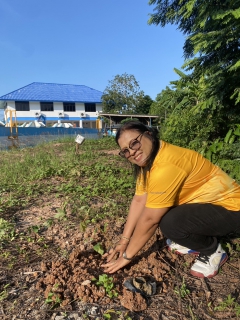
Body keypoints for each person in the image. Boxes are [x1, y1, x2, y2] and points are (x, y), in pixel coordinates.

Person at [101, 121, 240, 278]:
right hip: (209, 204)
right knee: (164, 210)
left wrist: (126, 257)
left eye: (134, 143)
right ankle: (194, 238)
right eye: (125, 151)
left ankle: (212, 250)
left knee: (170, 224)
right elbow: (140, 200)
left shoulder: (166, 165)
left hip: (232, 208)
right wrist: (124, 241)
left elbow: (150, 220)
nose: (131, 152)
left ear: (149, 134)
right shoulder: (148, 161)